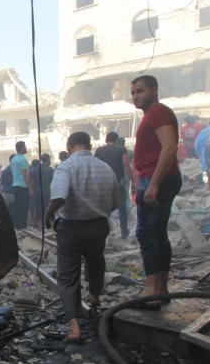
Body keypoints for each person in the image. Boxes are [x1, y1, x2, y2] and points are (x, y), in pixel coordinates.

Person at [44, 132, 118, 343]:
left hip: (71, 230)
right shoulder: (106, 168)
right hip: (98, 227)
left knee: (67, 276)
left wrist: (49, 214)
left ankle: (75, 328)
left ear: (69, 147)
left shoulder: (66, 167)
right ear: (90, 145)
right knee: (96, 261)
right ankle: (94, 296)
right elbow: (114, 203)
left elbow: (58, 197)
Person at [131, 75, 182, 309]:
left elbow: (170, 147)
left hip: (156, 178)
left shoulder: (158, 112)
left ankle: (152, 290)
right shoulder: (151, 115)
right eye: (133, 93)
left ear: (154, 90)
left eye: (140, 91)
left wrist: (153, 184)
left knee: (147, 233)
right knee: (158, 233)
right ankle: (161, 288)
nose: (136, 96)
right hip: (154, 177)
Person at [95, 131, 132, 239]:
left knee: (102, 208)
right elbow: (126, 165)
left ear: (106, 140)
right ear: (116, 140)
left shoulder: (99, 150)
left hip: (103, 183)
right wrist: (133, 180)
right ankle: (124, 232)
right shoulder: (121, 149)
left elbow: (96, 166)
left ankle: (103, 233)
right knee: (122, 208)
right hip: (118, 181)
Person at [10, 141, 30, 229]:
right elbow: (25, 175)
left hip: (15, 185)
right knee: (24, 206)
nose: (26, 148)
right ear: (22, 148)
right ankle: (22, 225)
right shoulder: (23, 159)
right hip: (23, 186)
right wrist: (30, 188)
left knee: (17, 206)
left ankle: (17, 225)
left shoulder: (13, 159)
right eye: (25, 146)